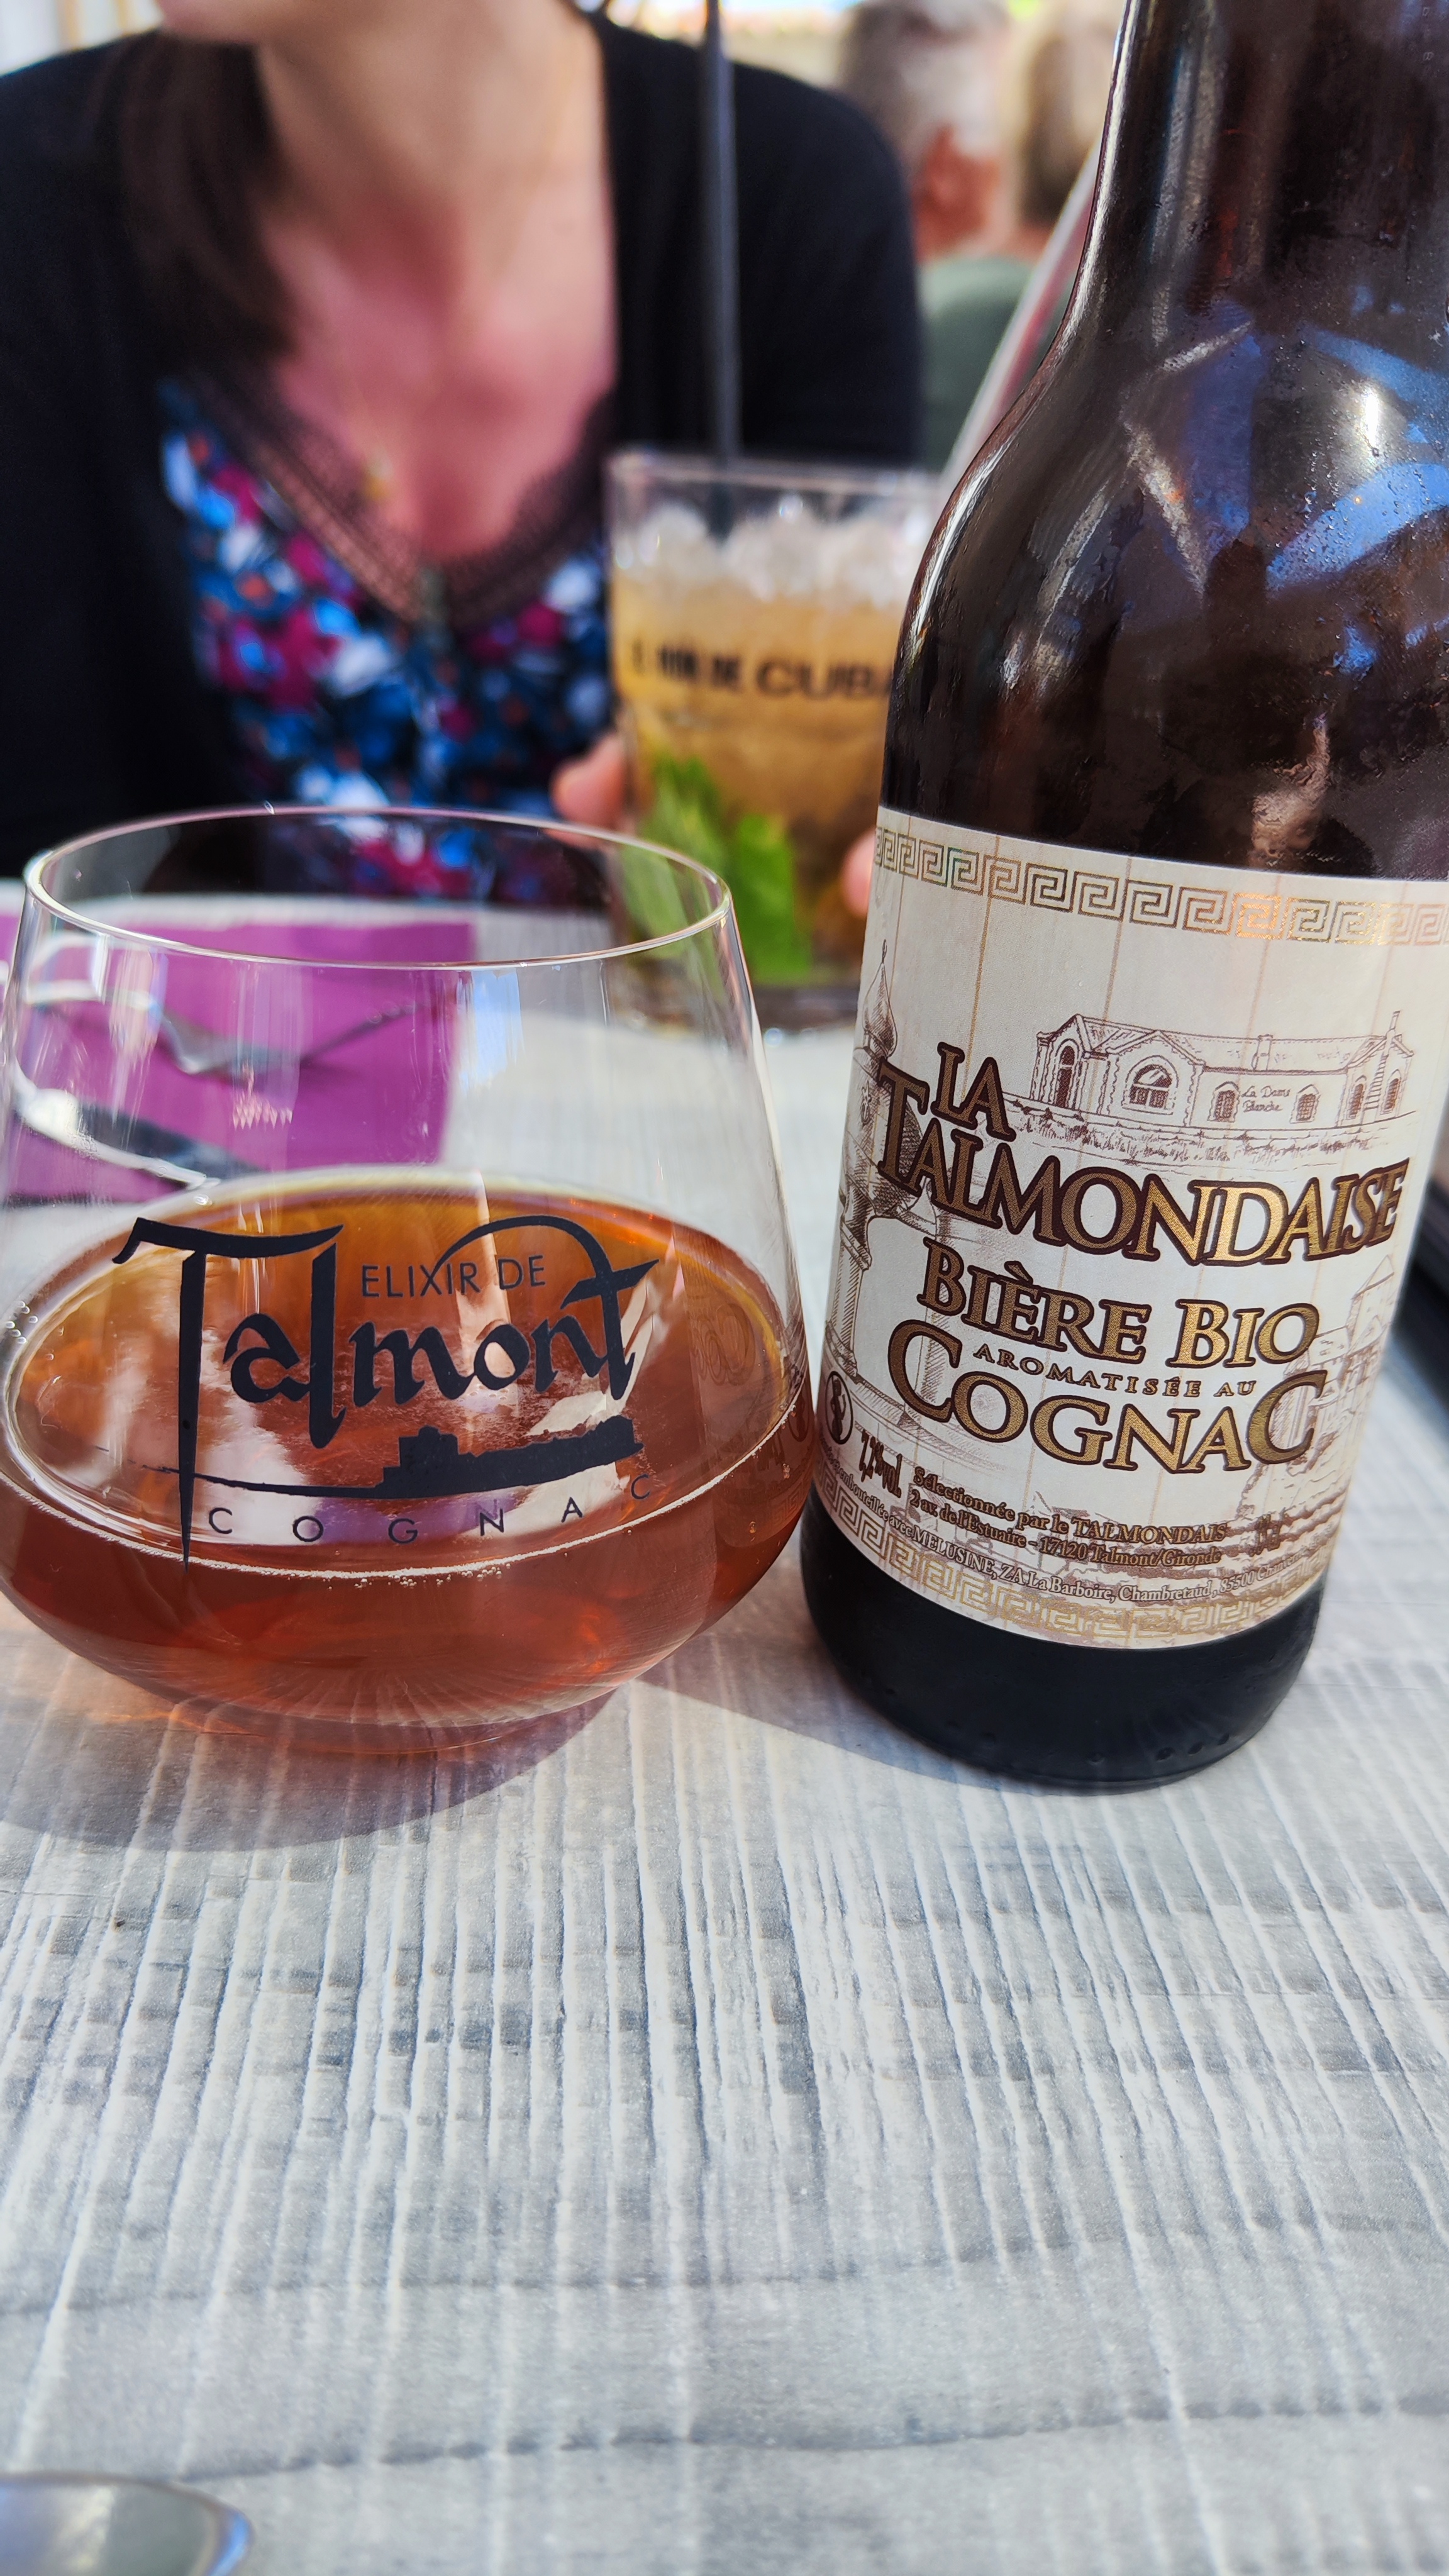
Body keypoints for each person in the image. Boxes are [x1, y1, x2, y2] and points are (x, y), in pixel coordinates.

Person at [0, 0, 919, 883]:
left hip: (648, 998)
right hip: (167, 1001)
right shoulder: (36, 184)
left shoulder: (794, 197)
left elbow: (822, 835)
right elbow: (40, 871)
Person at [838, 0, 1113, 473]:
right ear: (947, 165)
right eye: (1002, 123)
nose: (1019, 145)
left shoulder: (896, 301)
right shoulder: (1009, 310)